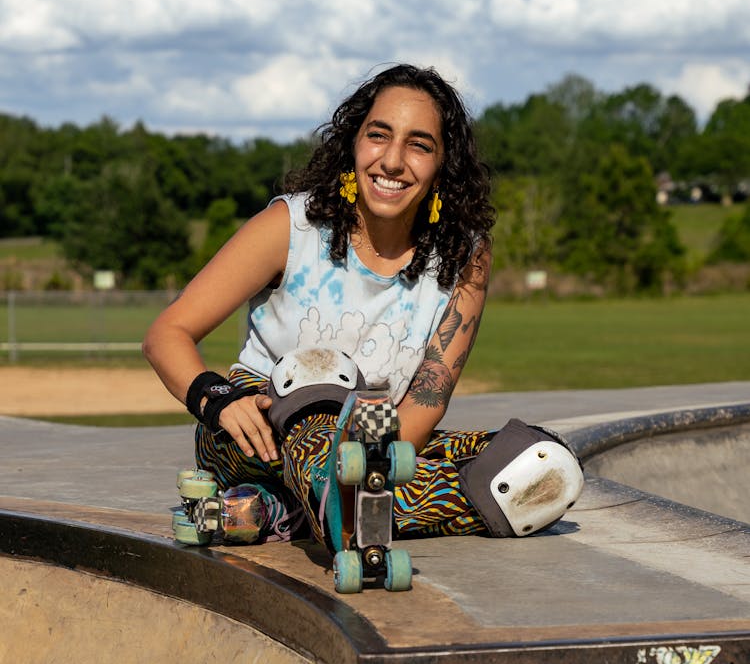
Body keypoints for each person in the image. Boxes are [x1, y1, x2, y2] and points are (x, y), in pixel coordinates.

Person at [143, 63, 582, 550]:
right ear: (354, 143)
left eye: (419, 144)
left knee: (541, 462)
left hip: (374, 440)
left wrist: (374, 469)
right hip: (258, 431)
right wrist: (217, 401)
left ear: (443, 166)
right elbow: (167, 333)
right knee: (319, 375)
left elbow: (424, 403)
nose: (393, 161)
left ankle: (283, 509)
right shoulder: (290, 226)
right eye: (379, 135)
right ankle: (342, 504)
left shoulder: (464, 256)